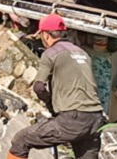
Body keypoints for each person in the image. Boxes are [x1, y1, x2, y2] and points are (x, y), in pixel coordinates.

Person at [8, 14, 105, 159]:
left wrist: (50, 105)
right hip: (96, 118)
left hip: (73, 119)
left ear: (46, 35)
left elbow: (39, 87)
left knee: (21, 140)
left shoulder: (51, 53)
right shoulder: (83, 53)